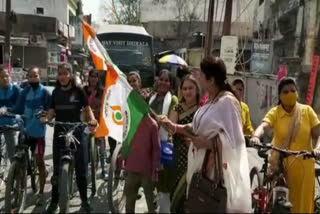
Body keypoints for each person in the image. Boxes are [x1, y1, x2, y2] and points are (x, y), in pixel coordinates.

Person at [159, 56, 251, 212]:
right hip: (201, 169)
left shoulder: (227, 102)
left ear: (211, 80)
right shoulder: (211, 100)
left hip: (217, 173)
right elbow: (196, 127)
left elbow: (236, 141)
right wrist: (173, 126)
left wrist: (208, 144)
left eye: (201, 75)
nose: (198, 78)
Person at [250, 77, 320, 213]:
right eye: (286, 91)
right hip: (281, 167)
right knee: (279, 205)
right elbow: (264, 126)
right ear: (280, 95)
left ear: (298, 93)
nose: (290, 94)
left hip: (305, 168)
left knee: (303, 206)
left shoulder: (307, 111)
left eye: (293, 90)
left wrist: (318, 149)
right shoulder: (275, 112)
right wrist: (256, 136)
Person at [40, 63, 97, 213]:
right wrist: (47, 118)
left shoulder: (78, 90)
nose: (63, 76)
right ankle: (54, 202)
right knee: (57, 171)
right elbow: (52, 110)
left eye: (66, 73)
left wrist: (92, 120)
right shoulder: (56, 92)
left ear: (70, 75)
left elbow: (87, 109)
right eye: (60, 74)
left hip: (77, 131)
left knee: (81, 170)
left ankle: (84, 202)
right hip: (59, 132)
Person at [10, 66, 51, 205]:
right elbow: (17, 108)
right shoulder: (24, 92)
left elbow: (51, 110)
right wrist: (6, 111)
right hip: (25, 132)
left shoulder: (45, 93)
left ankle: (40, 193)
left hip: (39, 134)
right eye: (30, 76)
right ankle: (18, 187)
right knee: (19, 158)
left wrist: (47, 116)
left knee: (39, 162)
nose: (33, 79)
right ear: (27, 78)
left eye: (35, 76)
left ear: (40, 77)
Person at [124, 72, 161, 213]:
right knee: (129, 205)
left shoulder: (152, 125)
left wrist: (155, 169)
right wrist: (123, 159)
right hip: (131, 169)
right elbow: (125, 142)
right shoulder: (129, 124)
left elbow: (156, 149)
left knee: (151, 205)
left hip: (147, 172)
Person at [169, 74, 200, 212]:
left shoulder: (202, 110)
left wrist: (194, 139)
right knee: (177, 193)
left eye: (191, 88)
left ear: (197, 90)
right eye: (185, 88)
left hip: (197, 156)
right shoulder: (177, 108)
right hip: (179, 155)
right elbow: (171, 128)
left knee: (193, 193)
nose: (187, 91)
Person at [149, 69, 178, 213]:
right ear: (157, 80)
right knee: (153, 179)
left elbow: (172, 126)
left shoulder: (173, 100)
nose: (163, 83)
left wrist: (163, 121)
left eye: (167, 80)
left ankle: (165, 209)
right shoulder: (152, 98)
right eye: (161, 79)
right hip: (150, 144)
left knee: (164, 181)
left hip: (165, 145)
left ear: (171, 84)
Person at [83, 69, 108, 180]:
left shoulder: (102, 91)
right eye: (91, 76)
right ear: (88, 78)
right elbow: (83, 105)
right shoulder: (83, 90)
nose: (93, 78)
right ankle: (84, 169)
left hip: (99, 122)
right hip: (86, 122)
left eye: (95, 76)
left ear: (98, 79)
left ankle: (104, 170)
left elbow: (106, 105)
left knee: (102, 149)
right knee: (84, 146)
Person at [0, 67, 21, 162]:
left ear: (10, 77)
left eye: (7, 76)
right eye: (2, 77)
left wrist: (6, 109)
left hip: (11, 123)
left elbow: (20, 106)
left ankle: (15, 173)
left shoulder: (16, 90)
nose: (5, 78)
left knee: (13, 155)